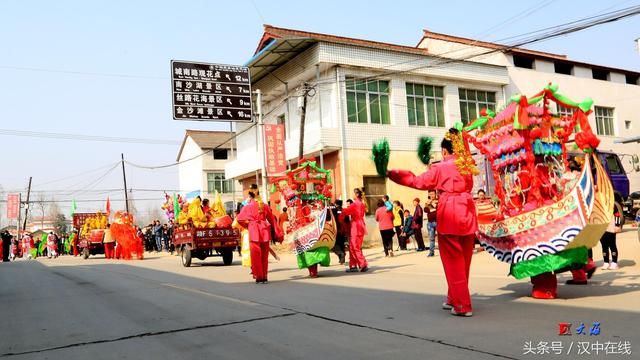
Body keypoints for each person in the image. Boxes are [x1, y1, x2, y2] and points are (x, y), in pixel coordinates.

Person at [389, 128, 478, 317]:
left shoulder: (440, 167)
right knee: (464, 261)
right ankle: (454, 298)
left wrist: (394, 174)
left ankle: (463, 305)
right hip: (467, 212)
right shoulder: (468, 165)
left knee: (453, 261)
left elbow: (418, 182)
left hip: (450, 212)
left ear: (445, 151)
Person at [236, 188, 282, 284]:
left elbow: (239, 219)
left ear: (250, 196)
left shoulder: (247, 207)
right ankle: (264, 276)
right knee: (264, 256)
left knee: (256, 255)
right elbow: (272, 219)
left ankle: (259, 276)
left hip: (254, 230)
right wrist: (276, 231)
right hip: (264, 230)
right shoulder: (265, 206)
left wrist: (248, 225)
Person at [341, 188, 368, 272]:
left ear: (356, 194)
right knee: (355, 247)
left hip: (356, 226)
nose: (352, 195)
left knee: (354, 247)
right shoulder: (362, 204)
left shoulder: (355, 204)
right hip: (361, 226)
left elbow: (346, 211)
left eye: (353, 193)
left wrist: (338, 209)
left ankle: (362, 264)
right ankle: (353, 265)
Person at [424, 190, 438, 257]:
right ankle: (431, 252)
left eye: (433, 194)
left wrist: (432, 205)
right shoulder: (427, 202)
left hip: (438, 222)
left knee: (441, 238)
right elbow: (425, 210)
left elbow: (438, 209)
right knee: (431, 238)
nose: (431, 195)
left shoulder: (438, 201)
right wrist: (428, 204)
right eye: (430, 194)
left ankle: (444, 252)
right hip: (430, 223)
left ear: (435, 194)